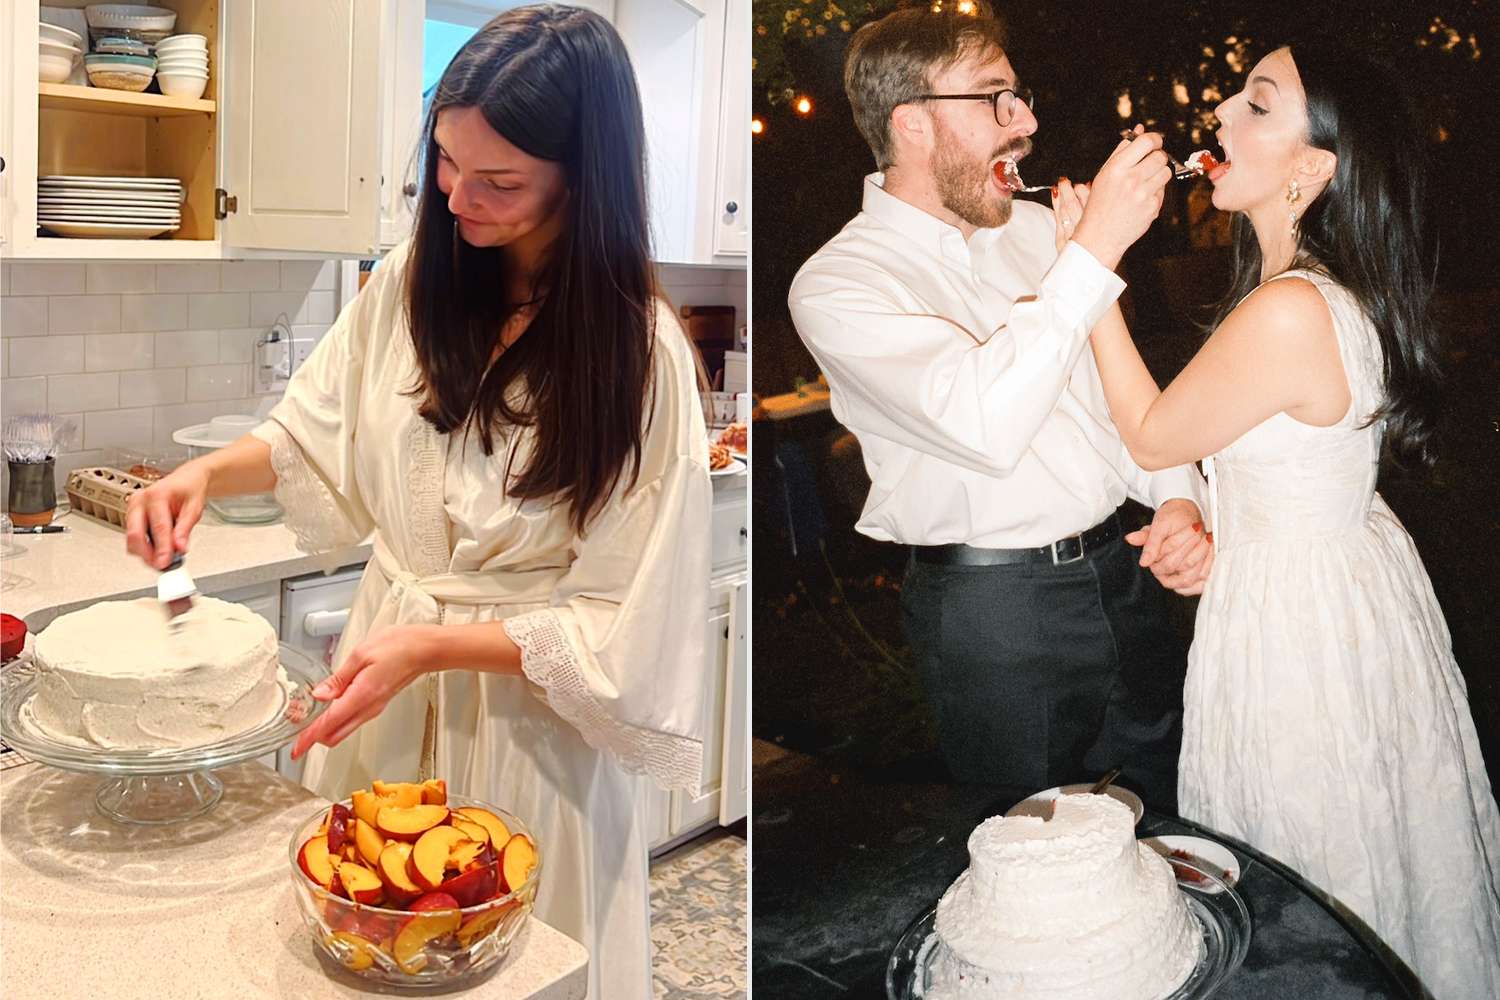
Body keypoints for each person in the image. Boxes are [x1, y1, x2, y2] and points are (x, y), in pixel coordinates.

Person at [124, 7, 713, 997]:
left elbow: (625, 616)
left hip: (534, 735)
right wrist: (201, 475)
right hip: (386, 692)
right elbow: (308, 431)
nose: (456, 197)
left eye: (499, 181)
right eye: (444, 161)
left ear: (584, 176)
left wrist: (435, 645)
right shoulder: (408, 285)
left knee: (517, 959)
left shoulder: (638, 353)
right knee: (359, 943)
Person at [1078, 41, 1500, 996]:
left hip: (1303, 628)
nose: (1223, 116)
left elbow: (1149, 434)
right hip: (1333, 583)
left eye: (1257, 105)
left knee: (1311, 848)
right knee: (1375, 836)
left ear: (1314, 168)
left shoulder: (1291, 308)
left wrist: (1090, 260)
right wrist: (1219, 533)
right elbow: (1291, 462)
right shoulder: (1315, 292)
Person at [786, 7, 1212, 811]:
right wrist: (1092, 254)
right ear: (912, 123)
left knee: (1171, 815)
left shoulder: (1043, 229)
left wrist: (1179, 498)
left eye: (1019, 96)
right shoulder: (837, 283)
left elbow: (1108, 400)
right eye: (995, 98)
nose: (1028, 122)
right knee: (1037, 854)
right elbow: (985, 425)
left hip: (1125, 574)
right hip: (997, 619)